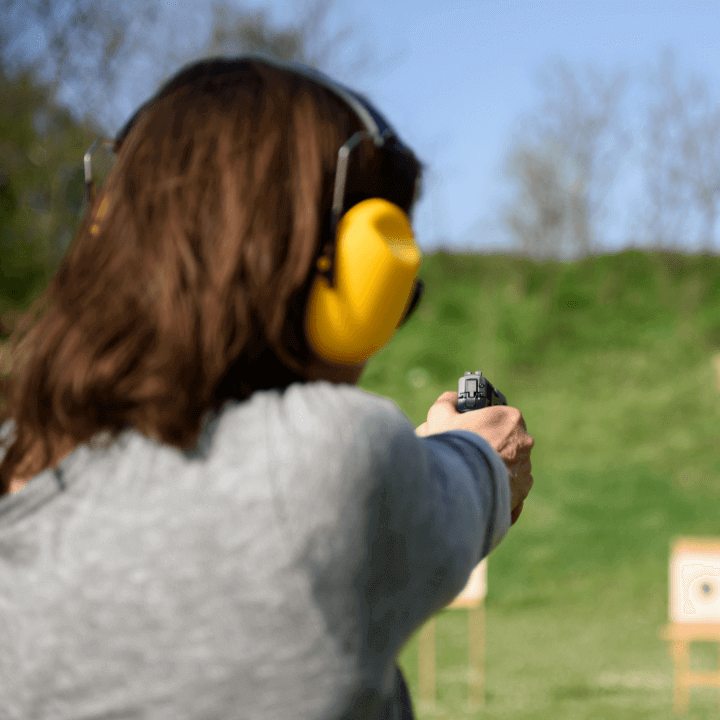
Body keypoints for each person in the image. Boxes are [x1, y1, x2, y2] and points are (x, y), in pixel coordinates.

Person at [0, 57, 534, 719]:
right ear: (362, 282)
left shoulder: (16, 462)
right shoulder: (328, 457)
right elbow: (477, 469)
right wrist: (481, 449)